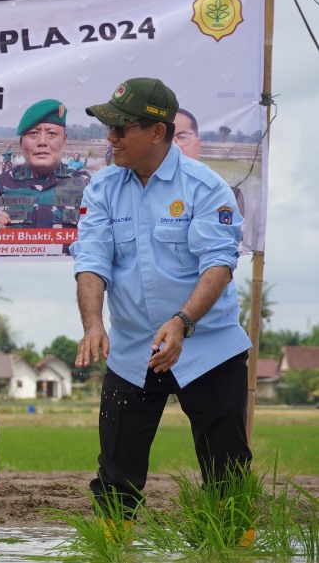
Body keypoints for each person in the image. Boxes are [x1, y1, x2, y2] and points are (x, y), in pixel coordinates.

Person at [73, 77, 252, 527]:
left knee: (227, 471)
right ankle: (110, 548)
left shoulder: (206, 187)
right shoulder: (102, 189)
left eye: (120, 129)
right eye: (108, 129)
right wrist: (94, 323)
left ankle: (231, 551)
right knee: (116, 474)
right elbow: (92, 261)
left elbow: (219, 264)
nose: (110, 139)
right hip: (133, 349)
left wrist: (183, 321)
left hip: (207, 345)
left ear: (157, 131)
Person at [0, 98, 89, 229]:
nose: (42, 142)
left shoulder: (87, 187)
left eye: (51, 133)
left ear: (64, 140)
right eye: (33, 133)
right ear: (21, 142)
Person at [174, 107, 253, 251]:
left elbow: (221, 254)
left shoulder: (228, 195)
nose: (174, 146)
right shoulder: (137, 191)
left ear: (198, 143)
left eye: (181, 137)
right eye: (167, 138)